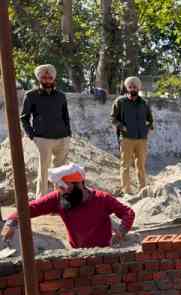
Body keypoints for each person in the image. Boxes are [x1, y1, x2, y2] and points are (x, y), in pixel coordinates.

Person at [1, 164, 135, 249]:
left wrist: (122, 231)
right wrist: (11, 222)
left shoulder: (102, 199)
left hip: (104, 253)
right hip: (77, 254)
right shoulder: (59, 198)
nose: (62, 191)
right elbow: (31, 208)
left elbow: (128, 212)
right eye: (60, 188)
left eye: (66, 188)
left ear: (79, 184)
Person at [21, 64, 72, 198]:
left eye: (50, 77)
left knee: (60, 171)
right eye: (44, 77)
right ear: (39, 79)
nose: (47, 80)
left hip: (62, 138)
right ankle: (41, 200)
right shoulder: (31, 95)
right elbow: (24, 118)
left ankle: (59, 199)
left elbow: (65, 115)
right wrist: (33, 136)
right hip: (43, 139)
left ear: (53, 79)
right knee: (44, 170)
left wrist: (68, 134)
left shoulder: (61, 95)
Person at [111, 76, 154, 195]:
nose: (133, 89)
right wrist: (122, 127)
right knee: (125, 165)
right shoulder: (120, 102)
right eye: (130, 87)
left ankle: (143, 189)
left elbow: (150, 120)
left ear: (139, 87)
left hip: (141, 139)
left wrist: (147, 128)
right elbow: (113, 118)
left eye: (135, 87)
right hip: (126, 138)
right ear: (127, 87)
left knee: (141, 165)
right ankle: (126, 191)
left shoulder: (144, 103)